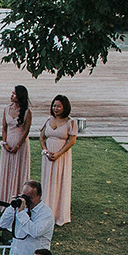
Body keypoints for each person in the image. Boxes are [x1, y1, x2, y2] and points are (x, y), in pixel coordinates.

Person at [0, 179, 54, 255]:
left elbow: (35, 232)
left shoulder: (46, 213)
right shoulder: (21, 208)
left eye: (30, 197)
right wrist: (12, 207)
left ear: (39, 196)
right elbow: (3, 223)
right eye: (25, 196)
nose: (27, 200)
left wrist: (21, 213)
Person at [39, 94, 76, 226]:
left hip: (61, 156)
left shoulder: (71, 122)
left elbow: (71, 141)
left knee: (59, 180)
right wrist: (45, 150)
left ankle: (57, 213)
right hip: (48, 156)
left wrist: (58, 154)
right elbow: (42, 137)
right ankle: (45, 209)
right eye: (54, 106)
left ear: (65, 107)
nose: (56, 108)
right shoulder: (49, 120)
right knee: (47, 180)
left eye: (59, 106)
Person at [0, 85, 32, 202]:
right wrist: (5, 143)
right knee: (7, 169)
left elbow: (26, 130)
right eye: (12, 93)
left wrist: (18, 145)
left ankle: (17, 196)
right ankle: (4, 198)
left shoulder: (27, 112)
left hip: (20, 143)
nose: (12, 96)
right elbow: (4, 127)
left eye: (15, 94)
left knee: (18, 170)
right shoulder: (7, 109)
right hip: (8, 141)